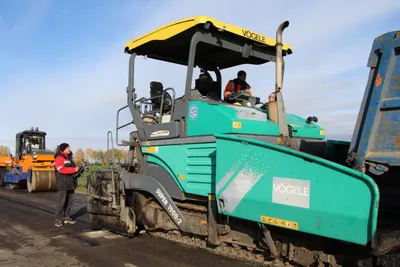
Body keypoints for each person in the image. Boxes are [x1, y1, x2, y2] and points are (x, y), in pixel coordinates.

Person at [54, 143, 79, 227]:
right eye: (68, 148)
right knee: (61, 201)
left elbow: (73, 168)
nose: (69, 149)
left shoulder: (69, 158)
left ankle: (67, 217)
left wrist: (79, 170)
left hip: (70, 182)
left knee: (69, 201)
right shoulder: (59, 158)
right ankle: (58, 219)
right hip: (63, 183)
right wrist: (74, 169)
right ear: (63, 149)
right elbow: (61, 169)